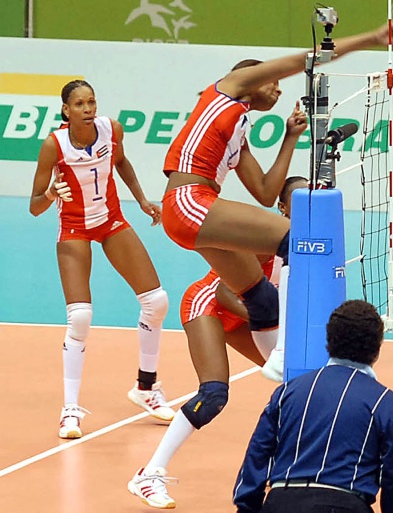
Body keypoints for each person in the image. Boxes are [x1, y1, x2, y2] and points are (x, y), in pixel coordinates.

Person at [160, 25, 393, 384]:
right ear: (248, 80)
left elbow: (264, 191)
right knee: (297, 237)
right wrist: (371, 38)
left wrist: (291, 137)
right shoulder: (231, 86)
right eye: (271, 83)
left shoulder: (237, 132)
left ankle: (288, 374)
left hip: (196, 206)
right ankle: (283, 351)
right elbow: (304, 60)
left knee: (261, 299)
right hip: (188, 200)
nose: (277, 88)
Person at [128, 176, 308, 509]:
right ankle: (149, 474)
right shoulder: (264, 240)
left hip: (249, 314)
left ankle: (297, 468)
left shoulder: (305, 248)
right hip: (209, 305)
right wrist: (270, 321)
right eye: (298, 202)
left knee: (299, 383)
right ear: (282, 208)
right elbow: (226, 292)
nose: (306, 208)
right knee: (213, 395)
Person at [28, 80, 173, 439]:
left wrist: (141, 200)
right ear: (66, 110)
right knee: (80, 317)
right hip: (74, 229)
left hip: (111, 221)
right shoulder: (54, 145)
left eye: (91, 101)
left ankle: (145, 388)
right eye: (79, 104)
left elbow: (121, 163)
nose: (88, 108)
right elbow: (34, 206)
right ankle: (70, 410)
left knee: (157, 302)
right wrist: (50, 193)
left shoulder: (111, 129)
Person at [233, 300, 393, 513]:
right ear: (377, 348)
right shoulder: (385, 403)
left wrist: (247, 506)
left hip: (281, 502)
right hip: (343, 505)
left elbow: (257, 455)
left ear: (328, 341)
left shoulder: (288, 392)